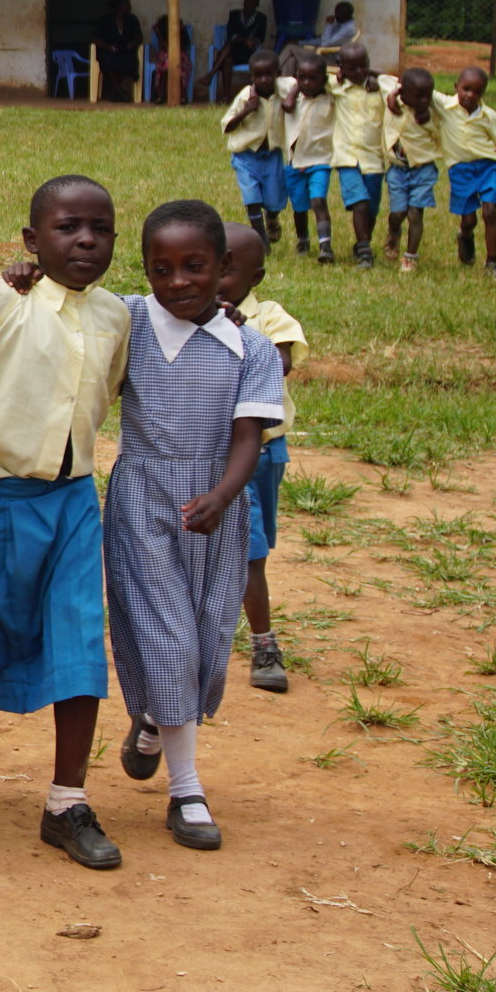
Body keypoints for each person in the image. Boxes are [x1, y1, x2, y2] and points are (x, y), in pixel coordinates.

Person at [0, 176, 131, 870]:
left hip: (74, 504)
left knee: (79, 644)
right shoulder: (2, 298)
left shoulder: (115, 317)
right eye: (67, 227)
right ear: (30, 240)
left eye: (99, 229)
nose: (84, 240)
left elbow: (107, 395)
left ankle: (66, 801)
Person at [107, 202, 283, 852]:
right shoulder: (129, 322)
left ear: (225, 268)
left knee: (208, 641)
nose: (178, 281)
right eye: (161, 269)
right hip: (145, 503)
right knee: (170, 636)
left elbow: (249, 435)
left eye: (195, 267)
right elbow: (66, 304)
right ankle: (187, 789)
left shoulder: (251, 346)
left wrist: (224, 493)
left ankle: (155, 715)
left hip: (217, 507)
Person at [218, 225, 306, 696]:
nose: (220, 274)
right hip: (212, 455)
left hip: (264, 454)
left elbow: (281, 363)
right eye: (214, 261)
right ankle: (263, 643)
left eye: (233, 266)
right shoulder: (191, 317)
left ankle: (253, 636)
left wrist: (235, 332)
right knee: (247, 553)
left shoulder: (268, 317)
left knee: (256, 552)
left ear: (258, 275)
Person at [325, 42, 398, 268]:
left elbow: (399, 84)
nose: (358, 72)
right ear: (341, 67)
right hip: (347, 157)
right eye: (351, 68)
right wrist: (337, 75)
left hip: (374, 159)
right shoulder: (335, 87)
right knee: (360, 203)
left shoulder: (380, 86)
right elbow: (311, 74)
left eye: (362, 66)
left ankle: (361, 244)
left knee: (372, 207)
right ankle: (365, 252)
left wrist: (374, 75)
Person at [437, 65, 496, 277]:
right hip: (460, 170)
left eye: (477, 92)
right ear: (456, 86)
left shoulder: (489, 116)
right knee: (469, 220)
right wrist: (393, 93)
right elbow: (413, 84)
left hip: (487, 167)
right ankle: (465, 236)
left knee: (490, 211)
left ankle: (492, 262)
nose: (470, 95)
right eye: (466, 89)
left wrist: (490, 161)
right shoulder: (443, 105)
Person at [220, 50, 291, 243]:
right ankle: (261, 240)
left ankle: (272, 217)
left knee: (274, 202)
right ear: (251, 76)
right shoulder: (245, 96)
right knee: (252, 200)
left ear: (278, 73)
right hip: (246, 157)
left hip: (273, 155)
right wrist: (246, 111)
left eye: (269, 74)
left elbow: (300, 82)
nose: (264, 80)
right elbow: (227, 126)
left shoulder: (283, 92)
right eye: (258, 75)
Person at [386, 67, 442, 273]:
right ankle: (393, 231)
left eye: (428, 96)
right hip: (397, 170)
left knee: (415, 213)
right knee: (398, 213)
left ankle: (410, 258)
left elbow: (441, 131)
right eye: (418, 96)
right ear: (402, 93)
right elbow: (381, 80)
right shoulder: (392, 104)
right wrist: (392, 96)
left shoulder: (431, 113)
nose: (424, 100)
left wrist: (427, 116)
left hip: (423, 169)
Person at [281, 48, 336, 259]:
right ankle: (303, 241)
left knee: (318, 201)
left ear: (324, 80)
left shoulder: (331, 98)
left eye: (313, 79)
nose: (306, 83)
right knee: (299, 206)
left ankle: (325, 247)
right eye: (301, 78)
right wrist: (293, 93)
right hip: (293, 162)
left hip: (320, 161)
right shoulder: (292, 95)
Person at [204, 0, 268, 94]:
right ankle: (226, 96)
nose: (249, 4)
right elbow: (231, 35)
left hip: (248, 53)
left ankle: (211, 74)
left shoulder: (261, 18)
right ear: (244, 2)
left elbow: (261, 38)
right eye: (247, 1)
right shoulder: (234, 15)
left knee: (228, 48)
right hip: (233, 52)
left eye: (253, 2)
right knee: (227, 59)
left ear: (257, 4)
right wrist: (244, 40)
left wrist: (253, 41)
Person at [92, 0, 145, 104]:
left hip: (125, 50)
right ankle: (120, 91)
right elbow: (95, 38)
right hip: (108, 50)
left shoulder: (132, 20)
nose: (130, 6)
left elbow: (139, 36)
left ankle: (116, 91)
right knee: (108, 60)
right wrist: (108, 46)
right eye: (126, 4)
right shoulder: (105, 20)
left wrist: (133, 43)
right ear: (118, 6)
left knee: (129, 61)